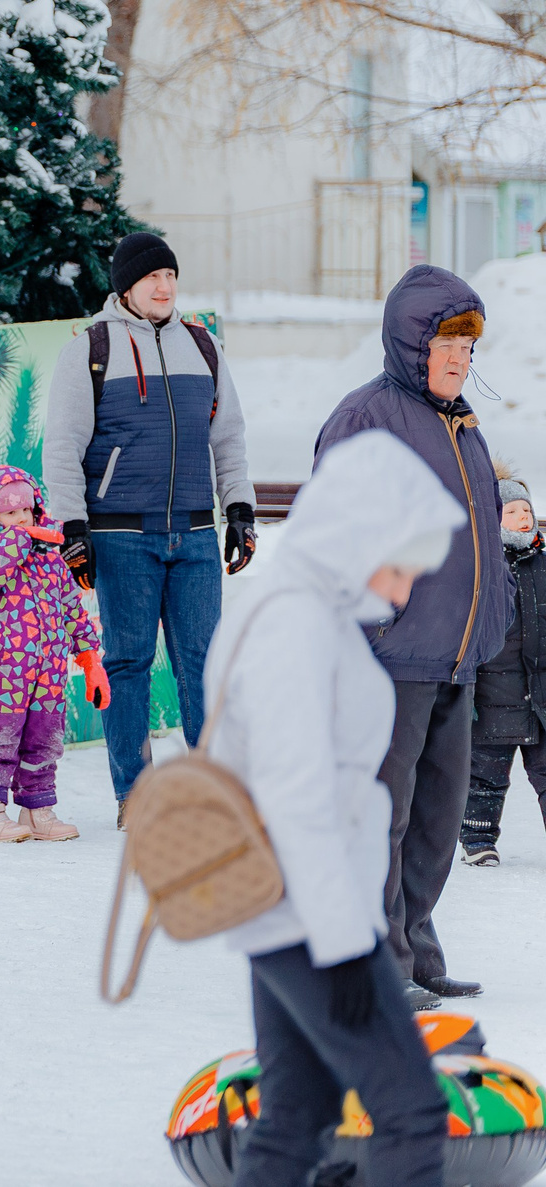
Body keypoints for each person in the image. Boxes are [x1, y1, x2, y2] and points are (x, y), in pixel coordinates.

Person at [203, 428, 457, 1187]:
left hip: (291, 906)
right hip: (307, 914)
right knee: (408, 1107)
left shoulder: (305, 610)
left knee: (294, 1117)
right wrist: (348, 944)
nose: (408, 584)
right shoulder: (293, 625)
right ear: (359, 534)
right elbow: (296, 797)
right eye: (403, 559)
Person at [314, 263, 508, 1006]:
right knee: (379, 817)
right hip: (388, 657)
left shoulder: (463, 427)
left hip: (456, 658)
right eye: (446, 343)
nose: (459, 358)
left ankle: (416, 947)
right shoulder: (367, 417)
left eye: (468, 346)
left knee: (435, 818)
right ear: (408, 342)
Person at [41, 231, 256, 818]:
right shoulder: (91, 348)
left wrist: (237, 508)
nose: (164, 287)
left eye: (170, 277)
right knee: (127, 663)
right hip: (119, 536)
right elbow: (63, 447)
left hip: (194, 534)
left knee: (203, 664)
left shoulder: (202, 346)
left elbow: (228, 437)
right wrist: (73, 526)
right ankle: (135, 794)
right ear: (126, 287)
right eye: (151, 278)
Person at [0, 466, 106, 843]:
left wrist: (90, 660)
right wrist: (24, 539)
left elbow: (72, 607)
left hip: (48, 671)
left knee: (44, 738)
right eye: (9, 513)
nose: (20, 519)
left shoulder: (49, 557)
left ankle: (37, 808)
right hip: (4, 672)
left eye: (26, 510)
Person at [460, 468, 546, 867]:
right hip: (493, 692)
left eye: (525, 510)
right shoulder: (484, 567)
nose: (523, 517)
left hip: (541, 694)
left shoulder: (543, 564)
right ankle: (478, 837)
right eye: (511, 511)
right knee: (485, 775)